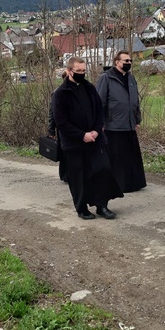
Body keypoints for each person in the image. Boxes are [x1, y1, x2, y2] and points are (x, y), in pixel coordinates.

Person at [52, 56, 123, 220]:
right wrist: (81, 135)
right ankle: (82, 208)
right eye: (78, 71)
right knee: (79, 177)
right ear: (69, 71)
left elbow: (99, 111)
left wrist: (97, 131)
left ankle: (102, 206)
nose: (82, 74)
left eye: (84, 71)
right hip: (74, 144)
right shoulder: (61, 94)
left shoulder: (89, 88)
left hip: (95, 140)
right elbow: (61, 121)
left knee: (102, 170)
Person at [96, 51, 146, 193]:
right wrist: (100, 123)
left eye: (130, 61)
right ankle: (118, 185)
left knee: (131, 156)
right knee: (117, 158)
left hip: (129, 124)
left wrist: (137, 119)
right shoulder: (106, 78)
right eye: (125, 60)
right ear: (116, 62)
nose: (128, 63)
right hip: (113, 125)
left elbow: (135, 101)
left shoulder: (131, 78)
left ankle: (133, 183)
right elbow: (99, 102)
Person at [47, 73, 68, 182]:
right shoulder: (57, 93)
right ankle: (64, 175)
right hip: (62, 128)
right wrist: (51, 130)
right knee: (63, 152)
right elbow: (52, 113)